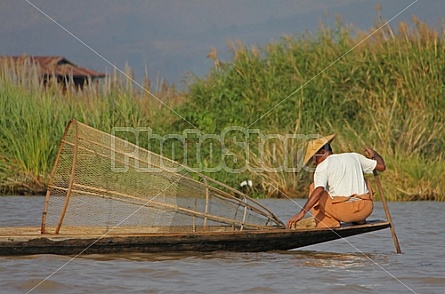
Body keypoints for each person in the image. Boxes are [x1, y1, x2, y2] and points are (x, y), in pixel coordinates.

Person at [287, 134, 386, 229]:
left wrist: (302, 213)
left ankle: (328, 223)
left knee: (314, 187)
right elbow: (381, 166)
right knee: (366, 181)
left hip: (344, 212)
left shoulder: (322, 166)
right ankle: (359, 220)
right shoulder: (354, 156)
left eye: (313, 157)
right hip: (365, 209)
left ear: (321, 152)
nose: (313, 162)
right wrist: (374, 154)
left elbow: (319, 190)